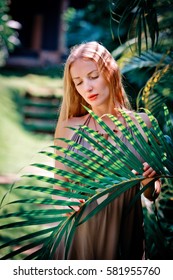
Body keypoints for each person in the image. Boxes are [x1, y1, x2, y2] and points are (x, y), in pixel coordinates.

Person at [53, 41, 161, 260]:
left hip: (124, 235)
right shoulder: (68, 126)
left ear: (110, 72)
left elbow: (152, 193)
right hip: (78, 235)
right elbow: (60, 186)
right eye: (79, 82)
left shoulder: (143, 124)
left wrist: (150, 179)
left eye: (93, 76)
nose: (87, 87)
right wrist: (66, 200)